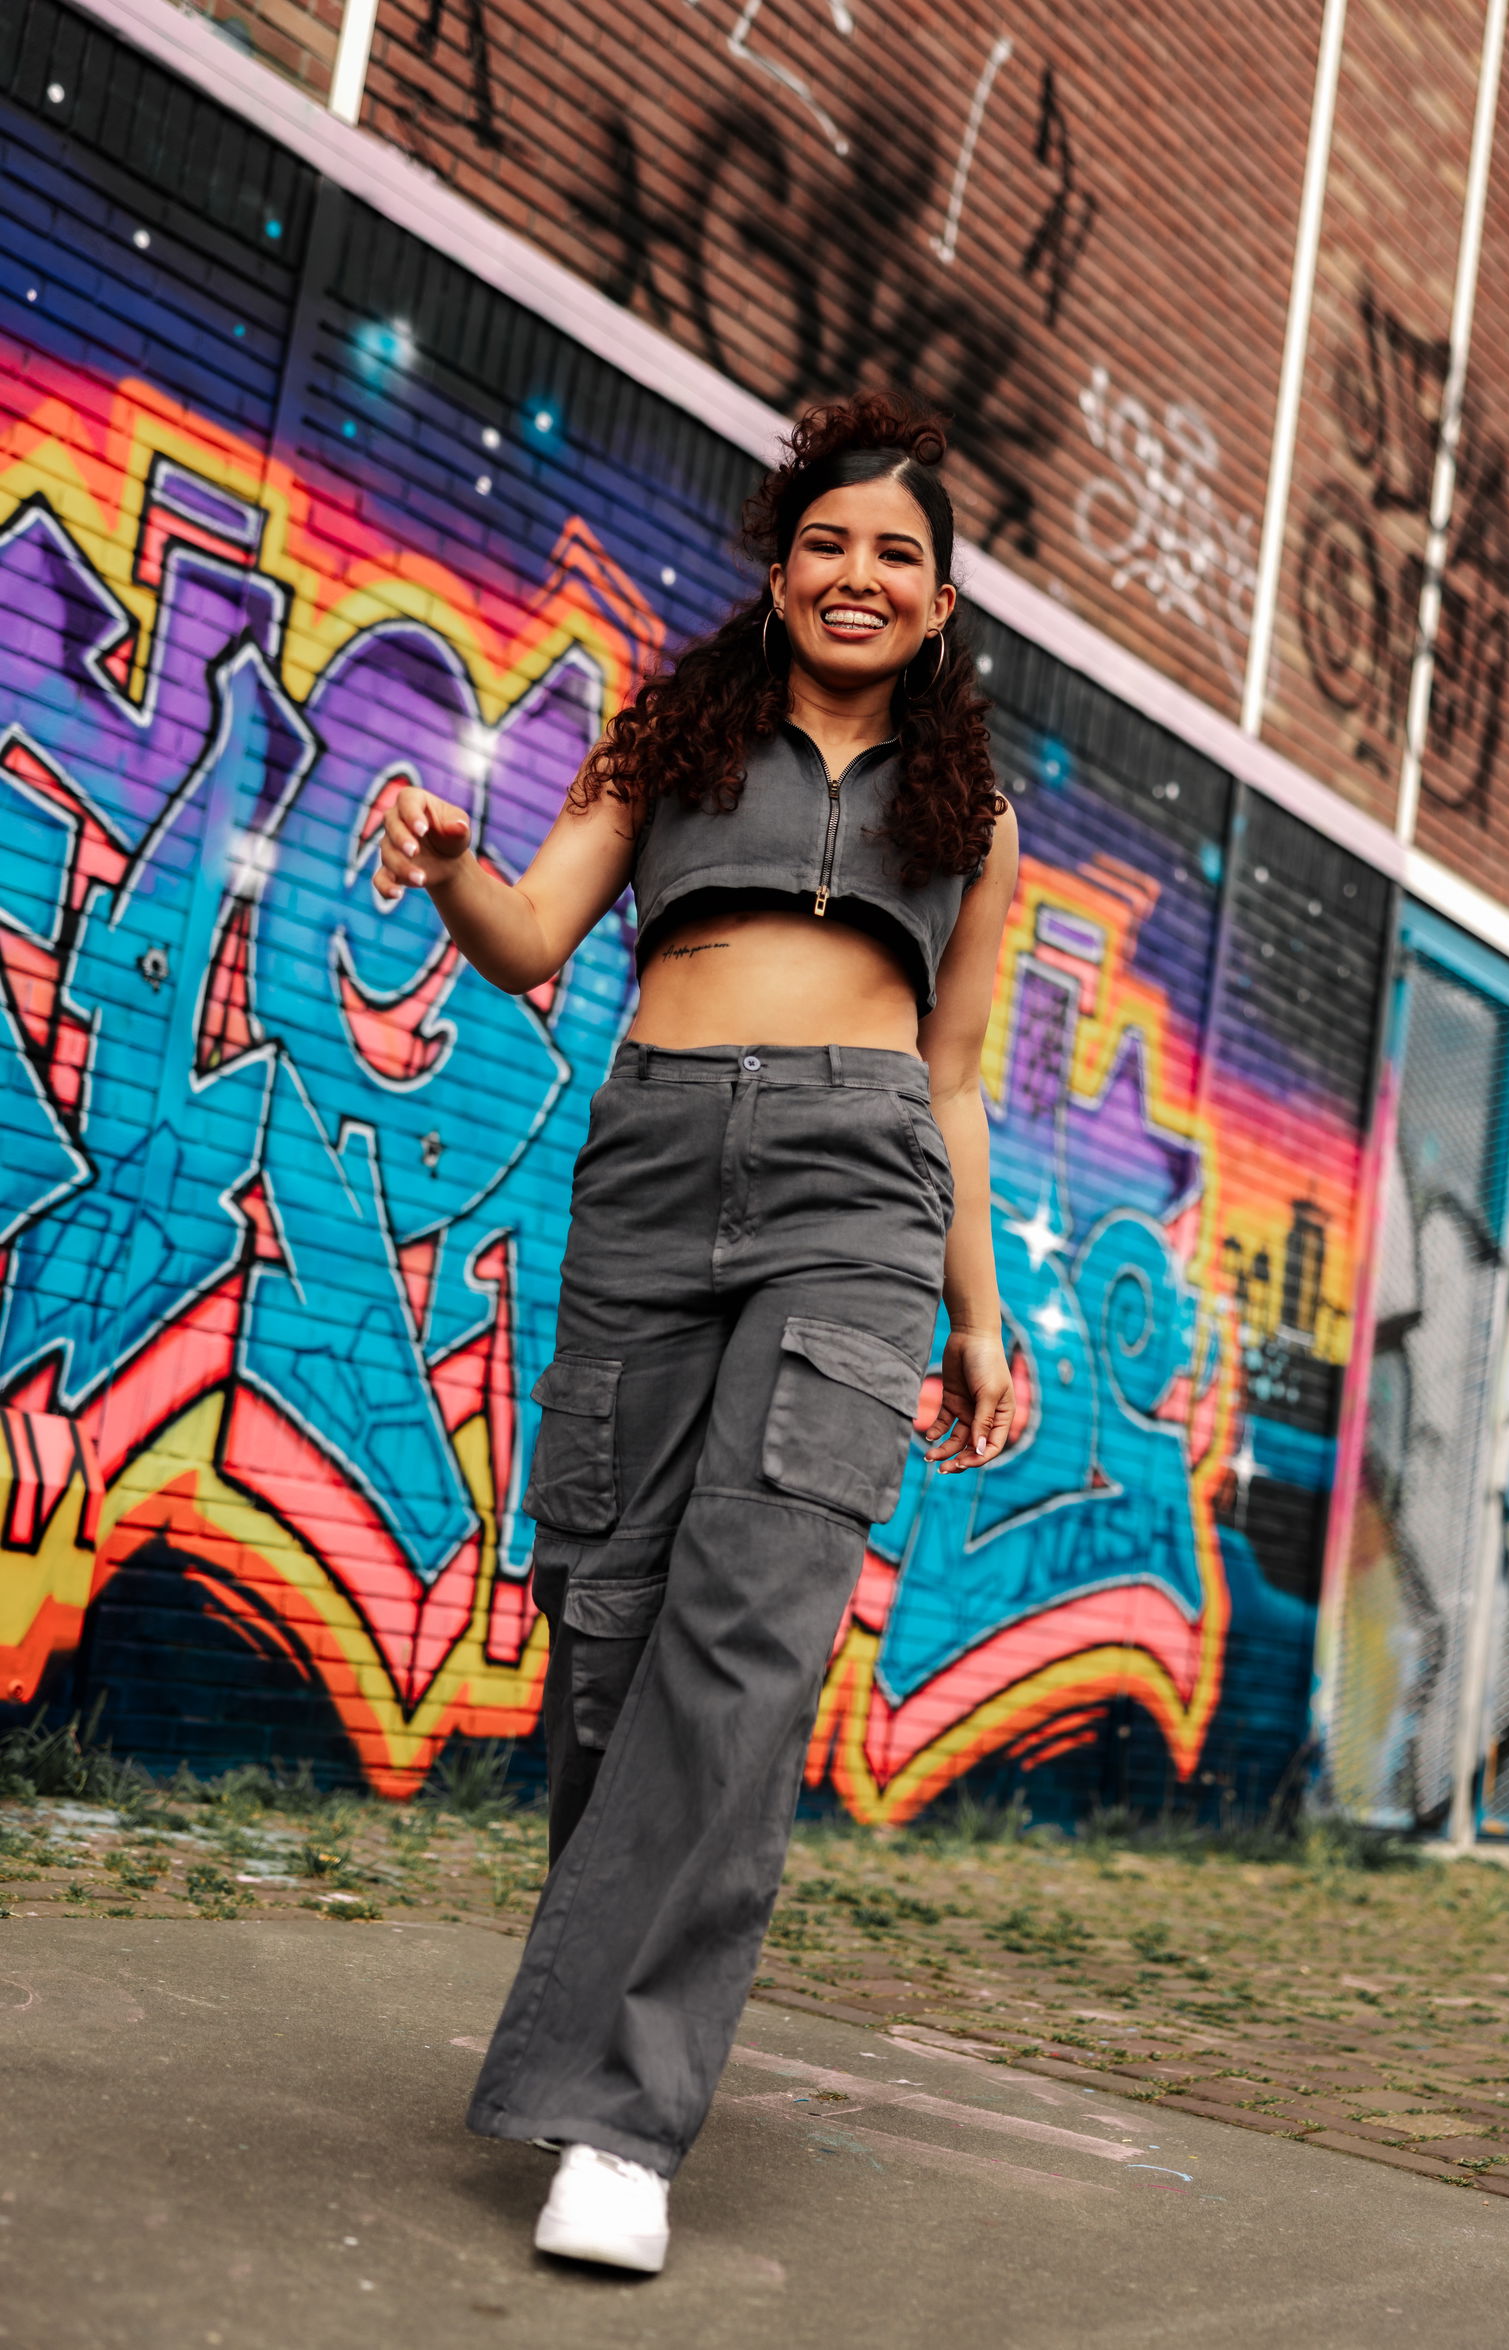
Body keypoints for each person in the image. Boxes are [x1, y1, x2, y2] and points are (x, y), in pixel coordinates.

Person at [374, 390, 1019, 2274]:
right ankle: (596, 2048)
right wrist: (449, 858)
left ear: (942, 601)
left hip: (861, 1194)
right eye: (828, 541)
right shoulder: (671, 737)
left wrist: (980, 1315)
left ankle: (623, 2121)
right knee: (610, 1626)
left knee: (751, 1641)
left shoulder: (972, 816)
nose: (857, 573)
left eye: (897, 553)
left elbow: (957, 1077)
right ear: (779, 566)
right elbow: (527, 938)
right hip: (653, 1169)